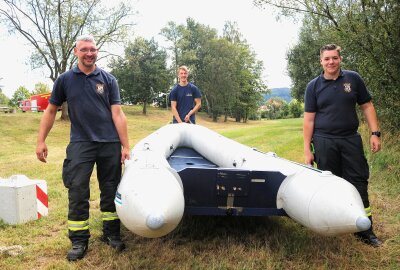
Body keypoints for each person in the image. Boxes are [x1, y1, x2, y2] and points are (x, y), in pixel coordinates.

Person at [36, 35, 130, 261]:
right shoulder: (65, 79)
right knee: (77, 190)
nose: (90, 53)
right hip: (81, 143)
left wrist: (125, 145)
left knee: (111, 189)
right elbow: (50, 111)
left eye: (93, 49)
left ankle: (111, 234)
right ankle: (79, 240)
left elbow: (117, 113)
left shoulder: (108, 79)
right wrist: (41, 141)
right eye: (85, 49)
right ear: (76, 51)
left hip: (109, 143)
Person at [303, 44, 382, 247]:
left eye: (334, 58)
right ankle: (333, 227)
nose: (331, 62)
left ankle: (365, 231)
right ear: (321, 61)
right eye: (327, 58)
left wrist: (375, 133)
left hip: (350, 140)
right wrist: (307, 150)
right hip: (324, 141)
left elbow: (367, 106)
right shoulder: (313, 86)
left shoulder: (353, 79)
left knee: (358, 183)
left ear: (340, 59)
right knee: (330, 185)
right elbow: (309, 120)